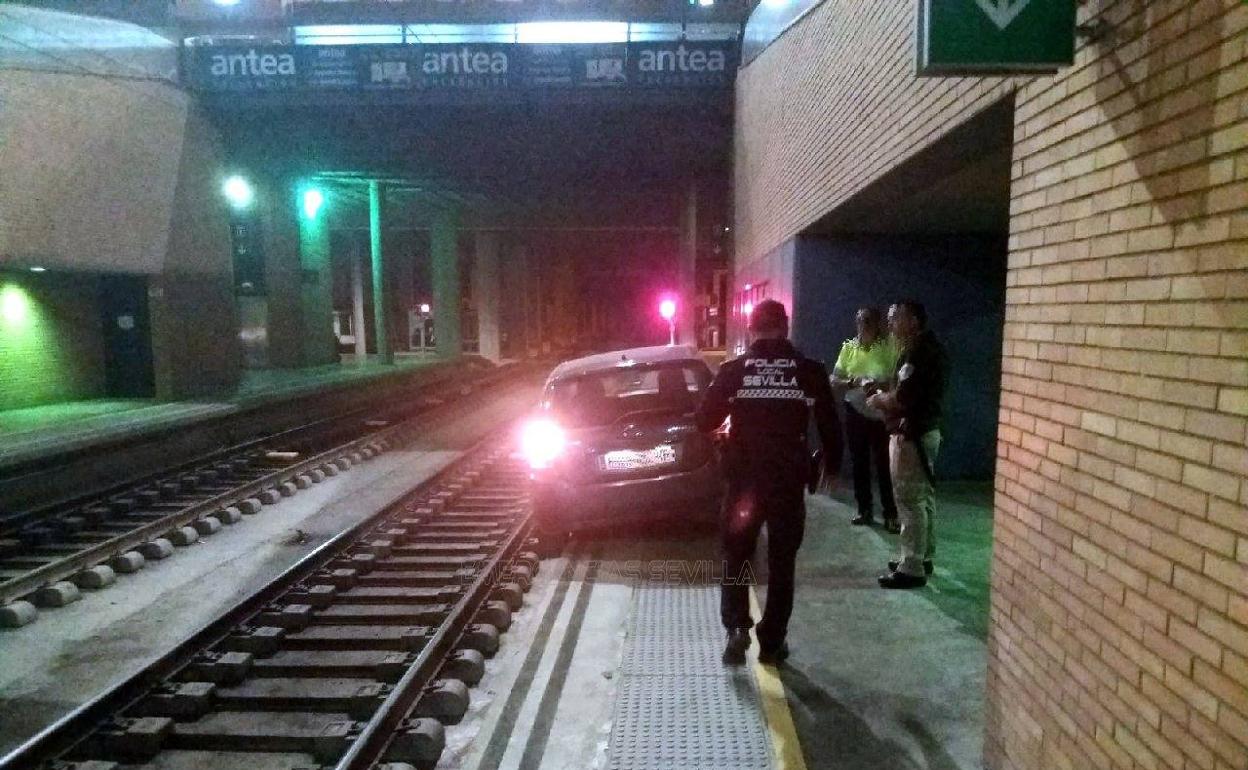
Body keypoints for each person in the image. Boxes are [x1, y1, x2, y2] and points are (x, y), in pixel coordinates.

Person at [696, 299, 843, 665]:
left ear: (751, 328)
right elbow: (829, 428)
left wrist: (725, 435)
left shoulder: (734, 370)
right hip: (787, 482)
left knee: (736, 556)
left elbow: (704, 419)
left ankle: (736, 629)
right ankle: (772, 643)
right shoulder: (809, 370)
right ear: (786, 326)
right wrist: (831, 467)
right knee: (781, 563)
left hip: (744, 481)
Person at [866, 300, 947, 589]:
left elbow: (902, 398)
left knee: (909, 500)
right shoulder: (927, 349)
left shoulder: (917, 354)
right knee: (923, 498)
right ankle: (922, 555)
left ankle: (911, 566)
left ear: (913, 320)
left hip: (911, 435)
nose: (890, 324)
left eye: (895, 317)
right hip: (924, 432)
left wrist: (878, 400)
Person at [830, 307, 900, 531]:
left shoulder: (889, 347)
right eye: (860, 321)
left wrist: (878, 384)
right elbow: (834, 379)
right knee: (859, 463)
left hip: (881, 414)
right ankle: (864, 510)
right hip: (855, 412)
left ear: (877, 324)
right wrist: (853, 383)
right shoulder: (849, 347)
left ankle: (891, 514)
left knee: (884, 465)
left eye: (868, 322)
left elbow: (898, 379)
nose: (864, 326)